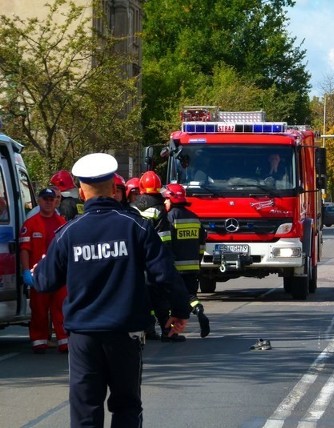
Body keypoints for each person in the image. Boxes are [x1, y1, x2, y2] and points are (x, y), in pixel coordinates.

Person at [32, 153, 191, 427]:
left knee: (85, 411)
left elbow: (44, 282)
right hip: (125, 333)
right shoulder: (137, 226)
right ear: (115, 189)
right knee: (127, 406)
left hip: (83, 335)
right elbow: (165, 274)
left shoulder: (68, 233)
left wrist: (37, 270)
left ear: (81, 192)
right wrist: (179, 311)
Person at [131, 171, 181, 341]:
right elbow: (164, 238)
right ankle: (167, 331)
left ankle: (148, 329)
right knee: (160, 297)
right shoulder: (159, 209)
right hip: (154, 258)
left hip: (137, 259)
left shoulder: (133, 207)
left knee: (143, 296)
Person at [20, 187, 68, 353]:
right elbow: (25, 250)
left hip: (59, 274)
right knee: (39, 309)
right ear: (39, 201)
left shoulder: (62, 223)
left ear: (56, 201)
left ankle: (64, 341)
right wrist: (26, 271)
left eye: (51, 199)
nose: (48, 202)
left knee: (61, 307)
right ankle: (39, 341)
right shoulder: (30, 224)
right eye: (45, 199)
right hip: (38, 274)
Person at [162, 183, 210, 338]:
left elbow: (167, 243)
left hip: (176, 268)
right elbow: (202, 244)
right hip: (193, 266)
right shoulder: (194, 218)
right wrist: (198, 260)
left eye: (166, 200)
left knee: (174, 300)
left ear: (171, 199)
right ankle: (198, 309)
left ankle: (172, 332)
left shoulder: (170, 217)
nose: (164, 203)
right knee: (190, 295)